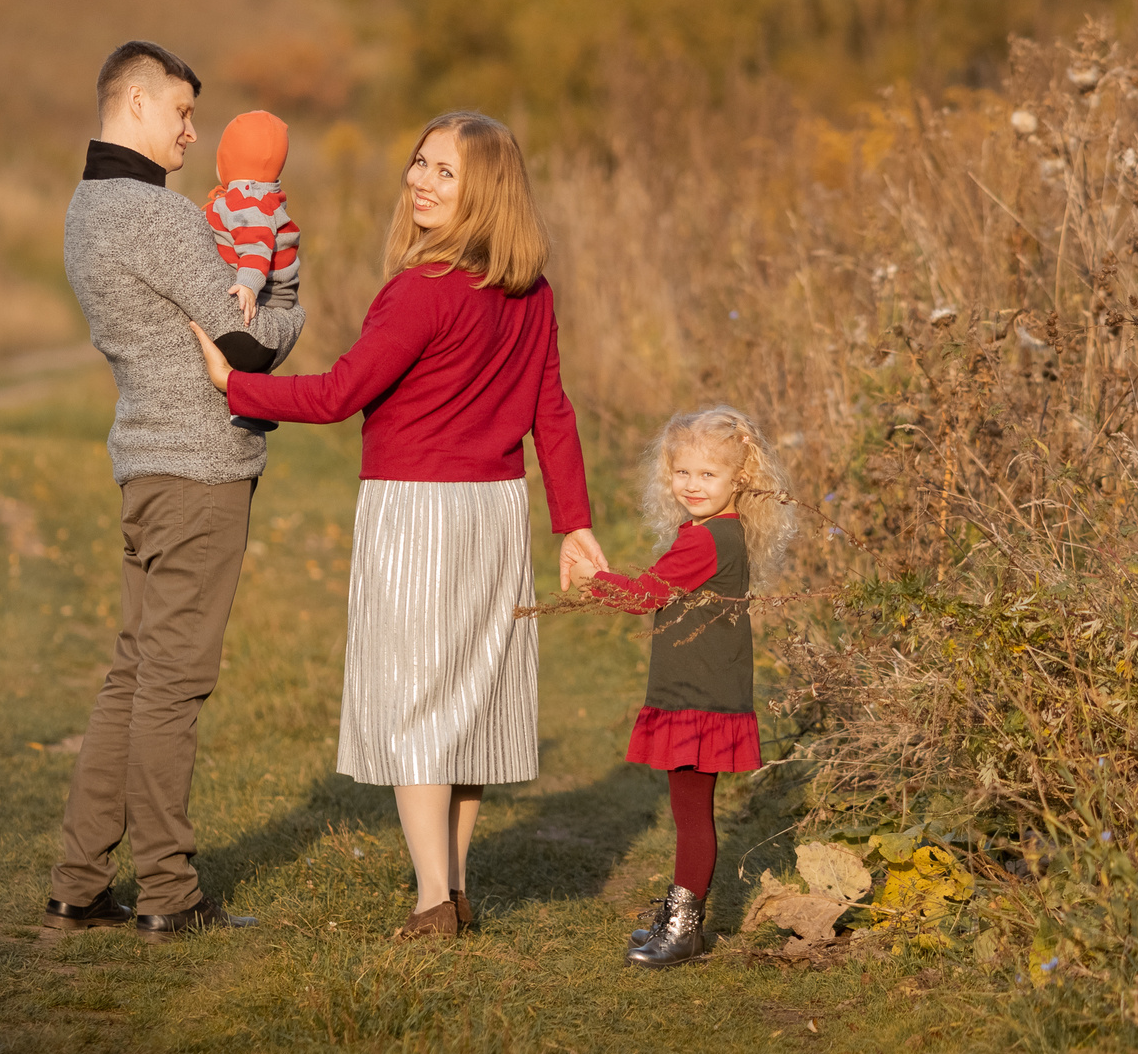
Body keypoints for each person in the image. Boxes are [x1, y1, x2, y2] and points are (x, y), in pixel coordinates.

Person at [191, 111, 605, 938]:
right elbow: (549, 412)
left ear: (485, 191)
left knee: (420, 702)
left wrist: (235, 384)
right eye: (420, 162)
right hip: (496, 514)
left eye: (445, 172)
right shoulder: (531, 292)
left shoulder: (421, 291)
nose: (420, 180)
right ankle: (450, 888)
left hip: (418, 511)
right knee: (471, 700)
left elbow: (341, 393)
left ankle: (429, 902)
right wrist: (573, 523)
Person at [44, 40, 302, 942]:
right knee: (172, 684)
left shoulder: (86, 207)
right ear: (137, 104)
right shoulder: (159, 217)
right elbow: (252, 346)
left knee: (133, 672)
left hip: (146, 462)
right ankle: (168, 891)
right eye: (184, 113)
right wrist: (292, 294)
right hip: (199, 469)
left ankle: (79, 882)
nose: (195, 132)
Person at [571, 407, 795, 967]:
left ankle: (685, 927)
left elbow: (644, 595)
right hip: (699, 690)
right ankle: (677, 917)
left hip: (700, 698)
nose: (693, 485)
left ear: (738, 480)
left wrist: (589, 580)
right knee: (688, 809)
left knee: (692, 814)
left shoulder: (707, 540)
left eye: (709, 475)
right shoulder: (717, 531)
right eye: (683, 472)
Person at [206, 109, 302, 303]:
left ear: (228, 159)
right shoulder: (263, 198)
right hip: (274, 294)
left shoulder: (247, 201)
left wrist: (248, 285)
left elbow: (256, 245)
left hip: (261, 295)